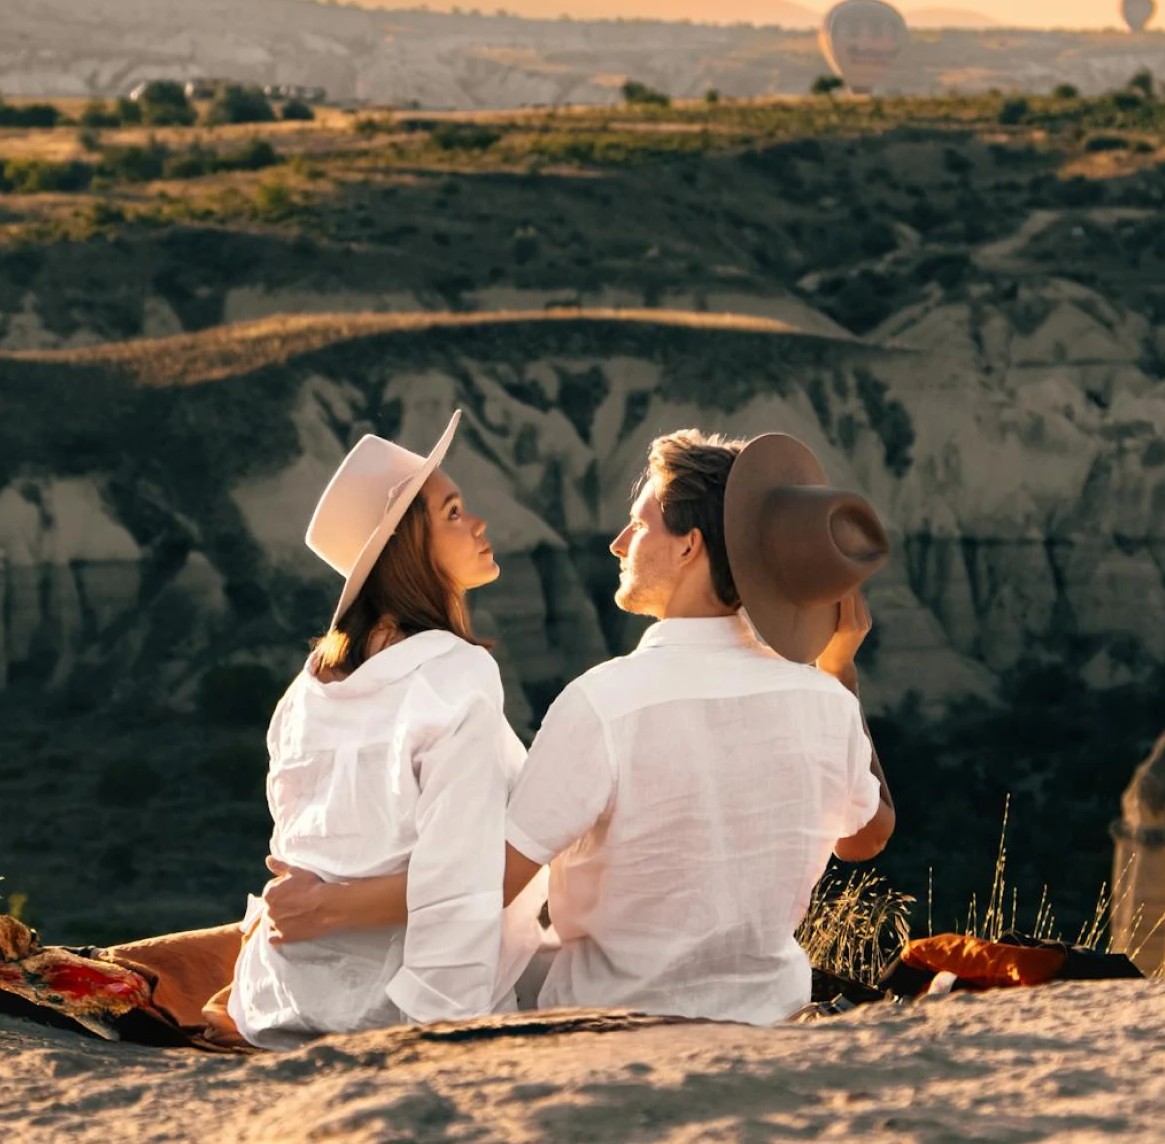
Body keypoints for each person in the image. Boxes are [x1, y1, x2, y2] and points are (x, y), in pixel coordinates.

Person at [269, 427, 896, 1025]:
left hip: (610, 1021)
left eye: (640, 524)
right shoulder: (825, 701)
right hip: (770, 1013)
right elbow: (865, 837)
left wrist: (331, 905)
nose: (619, 543)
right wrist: (838, 671)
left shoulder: (602, 704)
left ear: (688, 546)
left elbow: (484, 886)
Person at [220, 409, 546, 1044]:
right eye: (452, 512)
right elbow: (457, 876)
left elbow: (310, 862)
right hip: (395, 1004)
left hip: (283, 994)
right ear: (406, 549)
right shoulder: (457, 674)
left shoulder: (305, 691)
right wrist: (441, 1026)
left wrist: (328, 908)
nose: (478, 523)